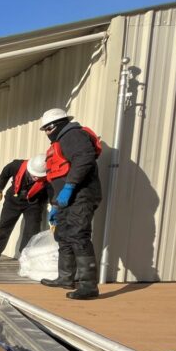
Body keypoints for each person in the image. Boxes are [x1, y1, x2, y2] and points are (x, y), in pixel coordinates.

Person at [38, 108, 103, 299]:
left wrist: (70, 187)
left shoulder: (72, 135)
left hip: (81, 195)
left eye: (48, 129)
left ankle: (89, 286)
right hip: (66, 199)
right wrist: (56, 205)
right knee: (63, 235)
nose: (47, 133)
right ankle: (65, 277)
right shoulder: (61, 140)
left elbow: (84, 159)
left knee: (78, 235)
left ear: (56, 125)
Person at [0, 154, 49, 262]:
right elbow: (4, 174)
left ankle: (25, 257)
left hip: (34, 203)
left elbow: (52, 192)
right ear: (29, 168)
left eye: (39, 176)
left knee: (32, 230)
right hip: (13, 200)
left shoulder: (49, 175)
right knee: (4, 226)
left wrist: (55, 208)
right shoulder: (16, 165)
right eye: (34, 175)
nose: (36, 178)